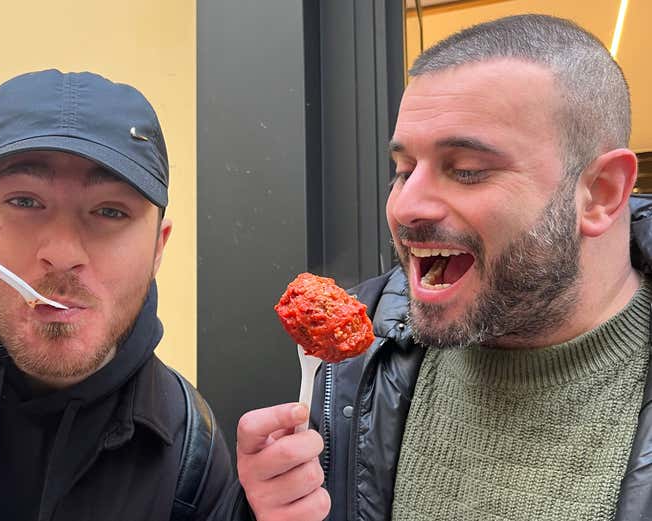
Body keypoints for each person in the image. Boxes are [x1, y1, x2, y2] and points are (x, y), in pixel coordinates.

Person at [235, 14, 652, 521]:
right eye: (403, 170)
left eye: (467, 171)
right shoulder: (356, 365)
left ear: (601, 192)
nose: (406, 206)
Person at [0, 69, 239, 520]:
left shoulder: (188, 448)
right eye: (25, 201)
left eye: (109, 210)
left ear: (158, 248)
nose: (62, 254)